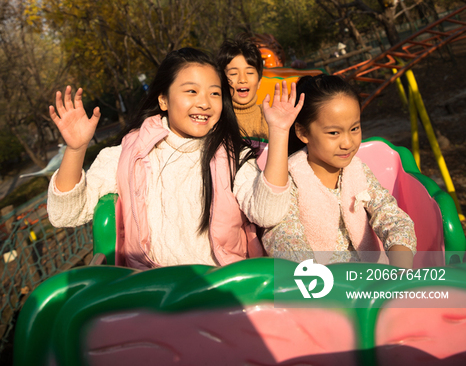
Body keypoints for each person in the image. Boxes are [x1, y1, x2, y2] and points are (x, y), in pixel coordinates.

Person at [47, 48, 302, 269]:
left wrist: (279, 132)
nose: (205, 103)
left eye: (214, 94)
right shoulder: (129, 154)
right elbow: (65, 214)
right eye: (192, 91)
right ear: (163, 99)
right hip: (155, 296)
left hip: (225, 292)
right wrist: (76, 149)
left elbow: (268, 213)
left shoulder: (234, 156)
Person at [262, 74, 416, 268]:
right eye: (334, 133)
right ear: (302, 132)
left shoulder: (358, 171)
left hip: (371, 282)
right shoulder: (290, 178)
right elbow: (284, 237)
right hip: (320, 288)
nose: (347, 143)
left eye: (354, 128)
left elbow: (391, 217)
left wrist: (400, 267)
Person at [217, 34, 269, 140]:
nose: (242, 79)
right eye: (233, 73)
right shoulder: (215, 117)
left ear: (259, 81)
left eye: (249, 73)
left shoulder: (268, 117)